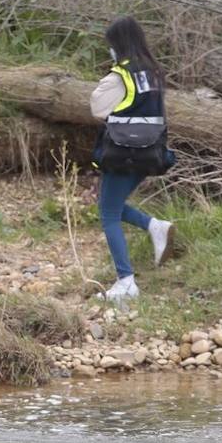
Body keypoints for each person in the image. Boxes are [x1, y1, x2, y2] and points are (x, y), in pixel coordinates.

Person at [89, 17, 178, 304]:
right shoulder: (154, 73)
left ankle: (126, 281)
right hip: (151, 154)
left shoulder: (120, 76)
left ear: (119, 44)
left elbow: (97, 107)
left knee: (108, 214)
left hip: (122, 153)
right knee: (110, 205)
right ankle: (155, 227)